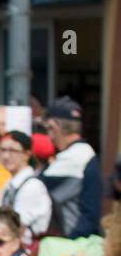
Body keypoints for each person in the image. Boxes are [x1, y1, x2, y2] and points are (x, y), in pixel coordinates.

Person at [40, 96, 101, 238]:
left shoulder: (75, 157)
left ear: (54, 126)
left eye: (47, 128)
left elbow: (35, 187)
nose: (47, 135)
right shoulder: (82, 153)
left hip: (72, 242)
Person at [0, 130, 52, 242]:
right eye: (3, 150)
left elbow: (15, 226)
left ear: (26, 155)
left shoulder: (33, 186)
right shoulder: (9, 184)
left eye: (13, 151)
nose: (6, 156)